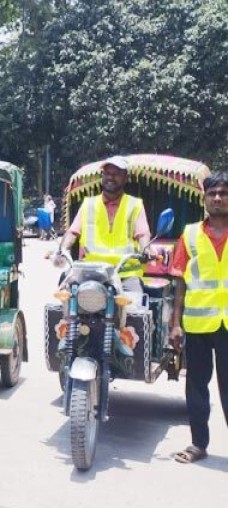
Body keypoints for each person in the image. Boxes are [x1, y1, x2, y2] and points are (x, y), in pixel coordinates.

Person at [168, 171, 228, 464]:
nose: (218, 198)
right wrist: (175, 323)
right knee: (196, 386)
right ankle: (198, 444)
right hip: (198, 324)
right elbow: (179, 282)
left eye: (223, 193)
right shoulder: (190, 234)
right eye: (212, 193)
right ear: (204, 198)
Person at [58, 156, 152, 293]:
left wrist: (146, 249)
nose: (110, 178)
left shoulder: (135, 205)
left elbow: (142, 233)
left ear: (125, 178)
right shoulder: (88, 204)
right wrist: (63, 249)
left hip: (124, 274)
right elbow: (73, 232)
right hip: (89, 273)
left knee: (135, 307)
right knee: (64, 295)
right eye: (107, 173)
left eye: (116, 174)